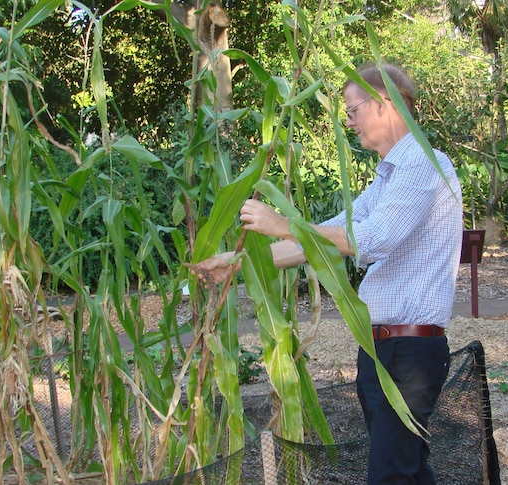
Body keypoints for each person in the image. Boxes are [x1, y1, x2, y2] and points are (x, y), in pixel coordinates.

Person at [194, 62, 463, 484]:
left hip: (408, 352)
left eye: (353, 110)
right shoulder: (388, 178)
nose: (348, 122)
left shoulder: (423, 164)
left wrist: (282, 222)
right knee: (407, 471)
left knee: (392, 474)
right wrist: (238, 262)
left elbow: (373, 239)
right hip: (385, 349)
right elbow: (320, 241)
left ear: (385, 104)